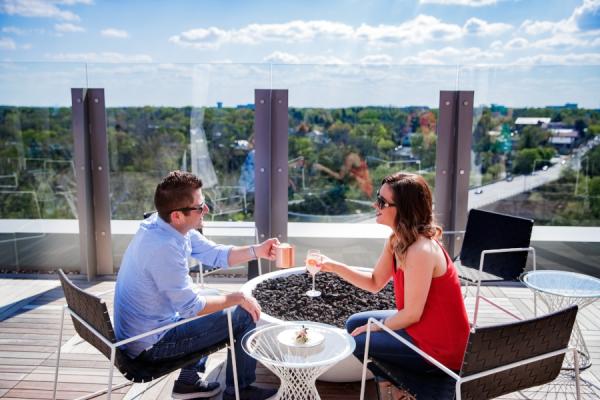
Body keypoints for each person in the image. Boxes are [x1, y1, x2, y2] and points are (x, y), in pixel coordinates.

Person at [114, 171, 279, 400]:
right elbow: (192, 308)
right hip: (150, 348)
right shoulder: (163, 248)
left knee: (211, 293)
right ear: (178, 216)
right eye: (200, 207)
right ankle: (240, 391)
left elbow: (213, 253)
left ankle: (188, 382)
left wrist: (257, 251)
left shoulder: (162, 224)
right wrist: (238, 297)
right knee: (244, 314)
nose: (207, 210)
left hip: (146, 332)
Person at [316, 172, 469, 392]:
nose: (374, 204)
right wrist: (334, 266)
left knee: (359, 341)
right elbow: (375, 282)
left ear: (402, 209)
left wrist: (375, 328)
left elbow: (412, 314)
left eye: (381, 201)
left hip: (440, 349)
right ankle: (396, 386)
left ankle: (422, 387)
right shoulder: (397, 240)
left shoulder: (420, 250)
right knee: (353, 324)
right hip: (419, 328)